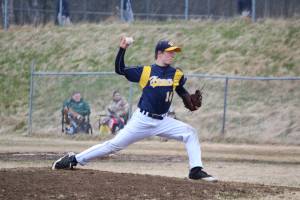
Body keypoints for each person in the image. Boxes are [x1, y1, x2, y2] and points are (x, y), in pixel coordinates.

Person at [52, 37, 217, 182]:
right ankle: (74, 159)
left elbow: (180, 90)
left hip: (162, 121)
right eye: (169, 51)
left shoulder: (176, 74)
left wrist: (189, 101)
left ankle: (195, 170)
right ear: (159, 53)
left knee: (190, 133)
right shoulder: (146, 71)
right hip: (142, 120)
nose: (173, 54)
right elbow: (119, 69)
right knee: (113, 146)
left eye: (174, 52)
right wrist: (122, 49)